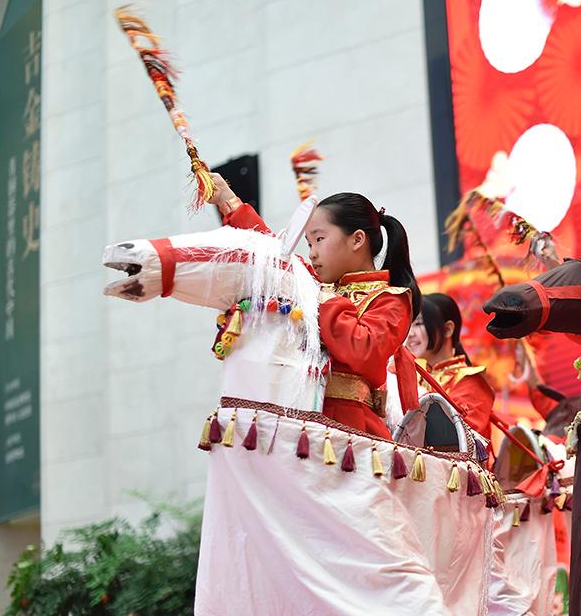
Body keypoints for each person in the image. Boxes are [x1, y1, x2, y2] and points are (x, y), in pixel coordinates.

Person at [207, 176, 420, 438]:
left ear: (357, 240)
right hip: (299, 416)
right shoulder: (318, 287)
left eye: (319, 239)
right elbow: (277, 256)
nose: (312, 253)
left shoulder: (391, 299)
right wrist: (228, 200)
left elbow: (364, 351)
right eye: (309, 243)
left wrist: (323, 297)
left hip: (352, 430)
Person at [406, 293, 496, 440]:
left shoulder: (470, 382)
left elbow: (462, 441)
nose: (409, 333)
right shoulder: (415, 376)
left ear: (448, 329)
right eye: (409, 324)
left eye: (418, 324)